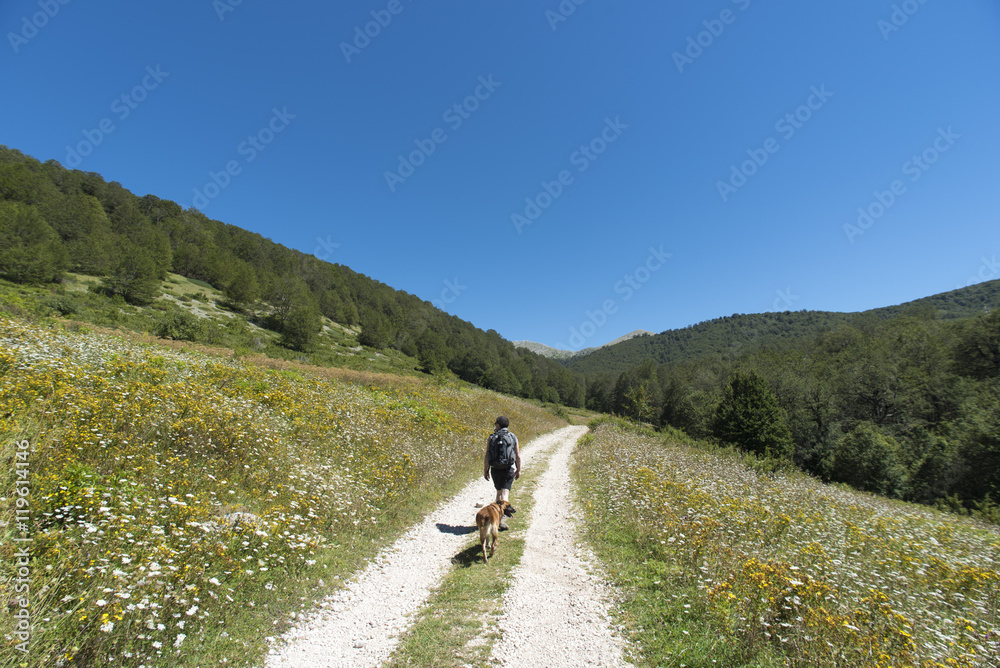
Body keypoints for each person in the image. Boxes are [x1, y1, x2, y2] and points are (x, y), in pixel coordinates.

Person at [483, 415, 520, 529]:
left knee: (499, 494)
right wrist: (518, 469)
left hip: (495, 470)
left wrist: (486, 470)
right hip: (508, 469)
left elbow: (487, 455)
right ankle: (502, 519)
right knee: (505, 494)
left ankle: (495, 517)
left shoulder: (492, 437)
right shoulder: (512, 437)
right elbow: (517, 455)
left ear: (498, 425)